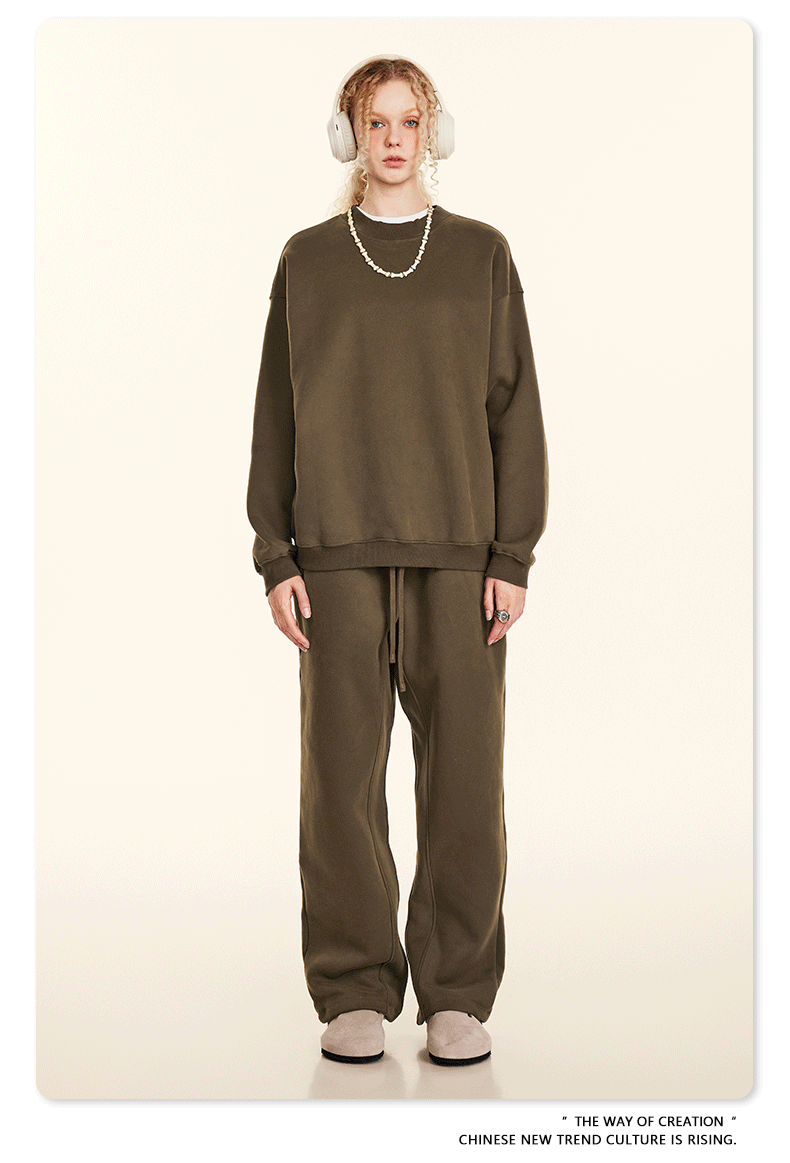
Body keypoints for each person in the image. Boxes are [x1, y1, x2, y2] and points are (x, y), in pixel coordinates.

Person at [246, 54, 548, 1067]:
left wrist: (512, 553)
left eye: (408, 120)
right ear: (347, 133)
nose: (391, 139)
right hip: (334, 556)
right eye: (373, 121)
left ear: (433, 132)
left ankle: (456, 991)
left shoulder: (481, 255)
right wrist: (275, 552)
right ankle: (353, 987)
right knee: (338, 783)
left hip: (460, 559)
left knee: (464, 782)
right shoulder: (306, 260)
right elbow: (277, 414)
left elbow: (515, 408)